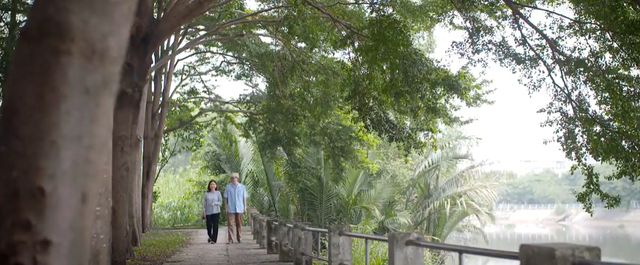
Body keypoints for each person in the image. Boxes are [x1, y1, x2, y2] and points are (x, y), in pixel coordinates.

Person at [224, 172, 248, 243]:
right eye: (232, 178)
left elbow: (244, 198)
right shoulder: (228, 187)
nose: (234, 179)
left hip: (240, 208)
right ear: (230, 179)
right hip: (231, 208)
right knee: (230, 224)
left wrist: (245, 207)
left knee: (239, 224)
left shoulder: (242, 187)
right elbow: (225, 198)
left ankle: (239, 238)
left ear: (238, 178)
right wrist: (226, 207)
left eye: (235, 177)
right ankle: (231, 239)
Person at [203, 180, 222, 244]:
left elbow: (220, 202)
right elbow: (204, 204)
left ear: (216, 185)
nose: (212, 185)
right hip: (208, 212)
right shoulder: (206, 194)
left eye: (214, 184)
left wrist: (215, 203)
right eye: (211, 184)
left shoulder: (218, 193)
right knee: (209, 226)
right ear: (209, 186)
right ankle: (210, 236)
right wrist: (204, 212)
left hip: (216, 211)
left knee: (215, 226)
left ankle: (214, 240)